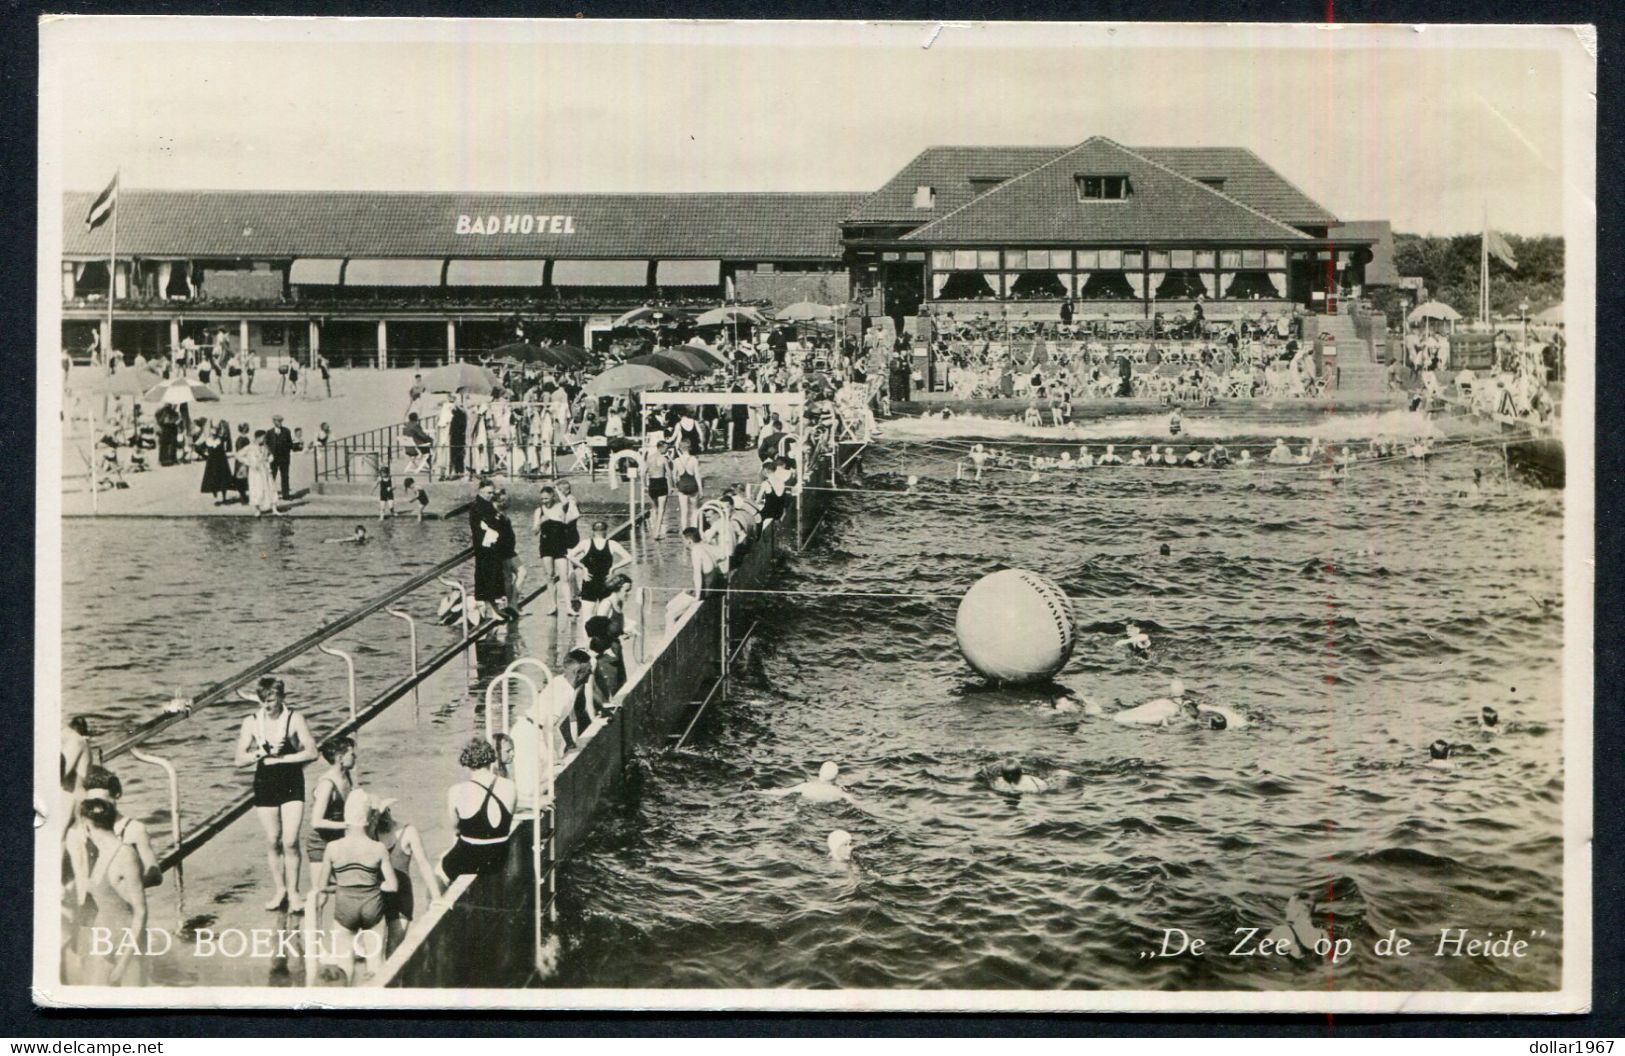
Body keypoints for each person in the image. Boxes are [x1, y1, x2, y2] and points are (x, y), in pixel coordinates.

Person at [234, 676, 317, 910]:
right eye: (262, 701)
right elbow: (239, 759)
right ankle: (280, 890)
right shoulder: (251, 722)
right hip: (265, 781)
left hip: (291, 780)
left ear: (281, 697)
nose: (267, 705)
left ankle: (295, 893)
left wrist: (284, 758)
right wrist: (258, 755)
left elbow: (312, 752)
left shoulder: (294, 719)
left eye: (271, 700)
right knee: (273, 840)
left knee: (290, 841)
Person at [311, 789, 397, 984]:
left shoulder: (333, 847)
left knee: (344, 968)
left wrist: (341, 886)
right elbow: (392, 886)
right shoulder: (378, 848)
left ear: (346, 818)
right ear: (368, 818)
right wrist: (377, 885)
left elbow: (322, 886)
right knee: (375, 967)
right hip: (372, 906)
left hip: (344, 906)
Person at [73, 798, 147, 986]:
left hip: (126, 948)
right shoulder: (100, 852)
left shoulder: (125, 855)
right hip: (103, 942)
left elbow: (140, 912)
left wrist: (123, 964)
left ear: (86, 825)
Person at [370, 797, 442, 956]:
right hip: (377, 898)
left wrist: (437, 897)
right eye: (376, 815)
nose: (383, 817)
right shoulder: (370, 833)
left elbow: (424, 864)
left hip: (401, 898)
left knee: (394, 950)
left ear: (389, 810)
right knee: (375, 952)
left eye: (384, 812)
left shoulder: (408, 831)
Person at [438, 738, 515, 883]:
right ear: (490, 759)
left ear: (466, 763)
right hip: (499, 857)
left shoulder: (456, 791)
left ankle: (439, 902)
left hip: (471, 859)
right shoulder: (510, 787)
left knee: (439, 870)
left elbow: (455, 829)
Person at [78, 766, 162, 890]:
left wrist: (125, 885)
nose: (97, 808)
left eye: (102, 802)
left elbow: (155, 875)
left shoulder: (134, 829)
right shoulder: (82, 827)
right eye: (91, 803)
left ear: (117, 795)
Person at [304, 736, 357, 922]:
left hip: (339, 841)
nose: (355, 756)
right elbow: (316, 821)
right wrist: (349, 825)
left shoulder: (346, 776)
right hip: (321, 843)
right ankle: (312, 941)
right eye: (352, 753)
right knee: (320, 894)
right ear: (340, 758)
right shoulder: (327, 783)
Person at [570, 520, 633, 620]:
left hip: (589, 582)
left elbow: (570, 556)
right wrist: (613, 568)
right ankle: (601, 635)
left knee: (587, 618)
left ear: (593, 532)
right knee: (603, 617)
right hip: (606, 583)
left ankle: (588, 636)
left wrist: (583, 568)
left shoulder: (586, 543)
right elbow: (629, 558)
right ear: (606, 531)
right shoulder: (612, 544)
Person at [469, 478, 506, 622]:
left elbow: (497, 522)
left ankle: (493, 608)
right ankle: (490, 609)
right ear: (481, 491)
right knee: (486, 577)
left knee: (493, 577)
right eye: (488, 493)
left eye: (492, 493)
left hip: (491, 546)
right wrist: (496, 520)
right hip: (484, 547)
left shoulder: (487, 504)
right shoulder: (478, 506)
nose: (491, 495)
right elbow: (491, 523)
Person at [533, 485, 573, 615]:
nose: (544, 501)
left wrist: (556, 487)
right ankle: (553, 606)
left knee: (564, 577)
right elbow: (534, 531)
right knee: (549, 576)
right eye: (542, 499)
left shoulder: (560, 507)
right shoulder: (539, 511)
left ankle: (568, 607)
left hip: (560, 545)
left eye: (546, 498)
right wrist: (540, 522)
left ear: (553, 497)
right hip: (546, 545)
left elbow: (566, 501)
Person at [759, 761, 851, 804]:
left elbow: (780, 793)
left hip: (805, 803)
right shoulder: (839, 793)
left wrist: (757, 792)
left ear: (820, 773)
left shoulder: (806, 787)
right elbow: (856, 803)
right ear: (836, 777)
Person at [200, 419, 235, 504]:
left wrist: (225, 425)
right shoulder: (208, 441)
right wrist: (205, 456)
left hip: (222, 463)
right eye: (213, 430)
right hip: (211, 464)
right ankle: (215, 493)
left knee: (223, 480)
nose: (214, 432)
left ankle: (224, 497)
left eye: (216, 430)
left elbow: (227, 440)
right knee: (213, 480)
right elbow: (198, 448)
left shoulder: (221, 439)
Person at [643, 440, 672, 535]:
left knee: (654, 508)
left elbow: (643, 473)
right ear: (661, 447)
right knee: (661, 509)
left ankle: (654, 528)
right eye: (666, 448)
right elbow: (669, 474)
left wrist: (644, 485)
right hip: (661, 482)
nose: (667, 451)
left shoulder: (649, 458)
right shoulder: (664, 459)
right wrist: (671, 486)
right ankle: (657, 531)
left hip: (652, 483)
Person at [673, 446, 703, 531]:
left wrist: (677, 485)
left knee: (684, 512)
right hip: (692, 485)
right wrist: (700, 489)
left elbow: (674, 476)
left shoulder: (676, 460)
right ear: (689, 448)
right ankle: (694, 529)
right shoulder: (694, 460)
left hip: (682, 485)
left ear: (680, 449)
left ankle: (684, 530)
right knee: (694, 510)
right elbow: (697, 475)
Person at [267, 415, 294, 500]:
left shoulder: (286, 431)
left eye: (280, 421)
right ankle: (270, 495)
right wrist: (269, 455)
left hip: (284, 458)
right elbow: (266, 445)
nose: (279, 423)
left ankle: (286, 495)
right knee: (272, 477)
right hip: (273, 459)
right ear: (273, 422)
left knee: (285, 477)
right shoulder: (269, 432)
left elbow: (290, 444)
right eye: (277, 421)